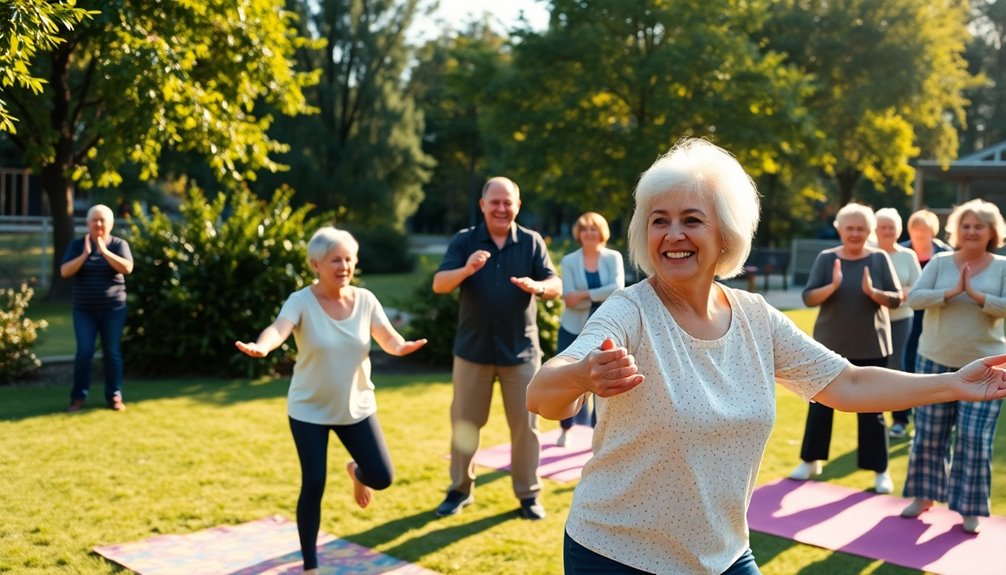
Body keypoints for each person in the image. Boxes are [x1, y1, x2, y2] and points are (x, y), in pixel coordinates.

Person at [527, 138, 1006, 575]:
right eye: (659, 220)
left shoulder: (755, 317)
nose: (673, 234)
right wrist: (583, 376)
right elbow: (543, 393)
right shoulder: (628, 311)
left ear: (726, 234)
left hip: (724, 554)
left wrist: (952, 384)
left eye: (691, 220)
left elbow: (848, 384)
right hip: (616, 554)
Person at [235, 227, 427, 574]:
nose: (344, 266)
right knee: (314, 483)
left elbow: (388, 337)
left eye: (349, 259)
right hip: (309, 409)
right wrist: (263, 346)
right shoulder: (301, 301)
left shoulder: (365, 300)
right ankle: (310, 564)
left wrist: (402, 347)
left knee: (381, 477)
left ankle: (356, 472)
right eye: (335, 260)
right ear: (315, 264)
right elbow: (279, 328)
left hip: (356, 406)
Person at [431, 176, 562, 520]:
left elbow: (556, 283)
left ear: (518, 206)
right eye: (495, 202)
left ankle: (528, 496)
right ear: (483, 205)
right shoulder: (465, 240)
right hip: (472, 351)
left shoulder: (532, 243)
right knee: (464, 424)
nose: (502, 208)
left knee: (525, 427)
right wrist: (467, 268)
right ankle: (459, 490)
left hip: (520, 352)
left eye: (509, 203)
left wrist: (539, 286)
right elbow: (440, 284)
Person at [901, 199, 1006, 535]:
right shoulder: (941, 262)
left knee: (975, 439)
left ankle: (970, 509)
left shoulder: (1002, 267)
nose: (972, 231)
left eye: (979, 226)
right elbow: (915, 298)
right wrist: (950, 292)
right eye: (966, 225)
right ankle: (923, 496)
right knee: (929, 435)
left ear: (992, 232)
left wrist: (976, 296)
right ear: (956, 230)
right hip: (934, 361)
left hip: (987, 367)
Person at [790, 202, 902, 494]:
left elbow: (896, 299)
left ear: (869, 231)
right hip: (828, 347)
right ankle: (810, 461)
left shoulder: (878, 259)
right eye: (850, 228)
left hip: (872, 345)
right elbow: (808, 298)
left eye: (861, 229)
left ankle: (880, 471)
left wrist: (872, 292)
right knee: (820, 407)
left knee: (872, 411)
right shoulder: (827, 259)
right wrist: (833, 285)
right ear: (840, 229)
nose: (855, 234)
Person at [556, 211, 625, 448]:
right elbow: (568, 299)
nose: (588, 233)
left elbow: (617, 289)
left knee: (603, 383)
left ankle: (598, 435)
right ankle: (566, 428)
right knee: (569, 382)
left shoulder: (613, 257)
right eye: (584, 229)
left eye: (593, 228)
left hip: (606, 330)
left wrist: (584, 295)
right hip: (572, 329)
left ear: (601, 232)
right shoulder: (569, 261)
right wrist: (598, 295)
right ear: (578, 234)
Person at [61, 204, 134, 412]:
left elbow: (127, 268)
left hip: (113, 310)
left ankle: (114, 396)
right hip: (84, 311)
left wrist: (103, 251)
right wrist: (85, 254)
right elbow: (65, 271)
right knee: (84, 353)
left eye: (103, 220)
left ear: (111, 224)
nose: (99, 224)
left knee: (112, 353)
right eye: (95, 220)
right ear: (87, 223)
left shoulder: (119, 244)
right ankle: (78, 397)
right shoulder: (77, 245)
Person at [896, 209, 951, 438]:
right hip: (906, 314)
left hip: (934, 316)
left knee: (930, 366)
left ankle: (926, 419)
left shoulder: (944, 254)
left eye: (924, 229)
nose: (919, 234)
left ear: (932, 231)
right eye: (915, 229)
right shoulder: (902, 251)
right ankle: (900, 419)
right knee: (905, 364)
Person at [873, 208, 922, 438]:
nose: (887, 231)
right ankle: (874, 415)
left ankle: (900, 419)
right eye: (883, 226)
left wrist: (902, 293)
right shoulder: (869, 253)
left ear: (898, 230)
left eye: (891, 227)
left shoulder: (907, 255)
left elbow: (919, 286)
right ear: (876, 230)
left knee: (897, 366)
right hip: (872, 320)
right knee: (873, 368)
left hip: (901, 318)